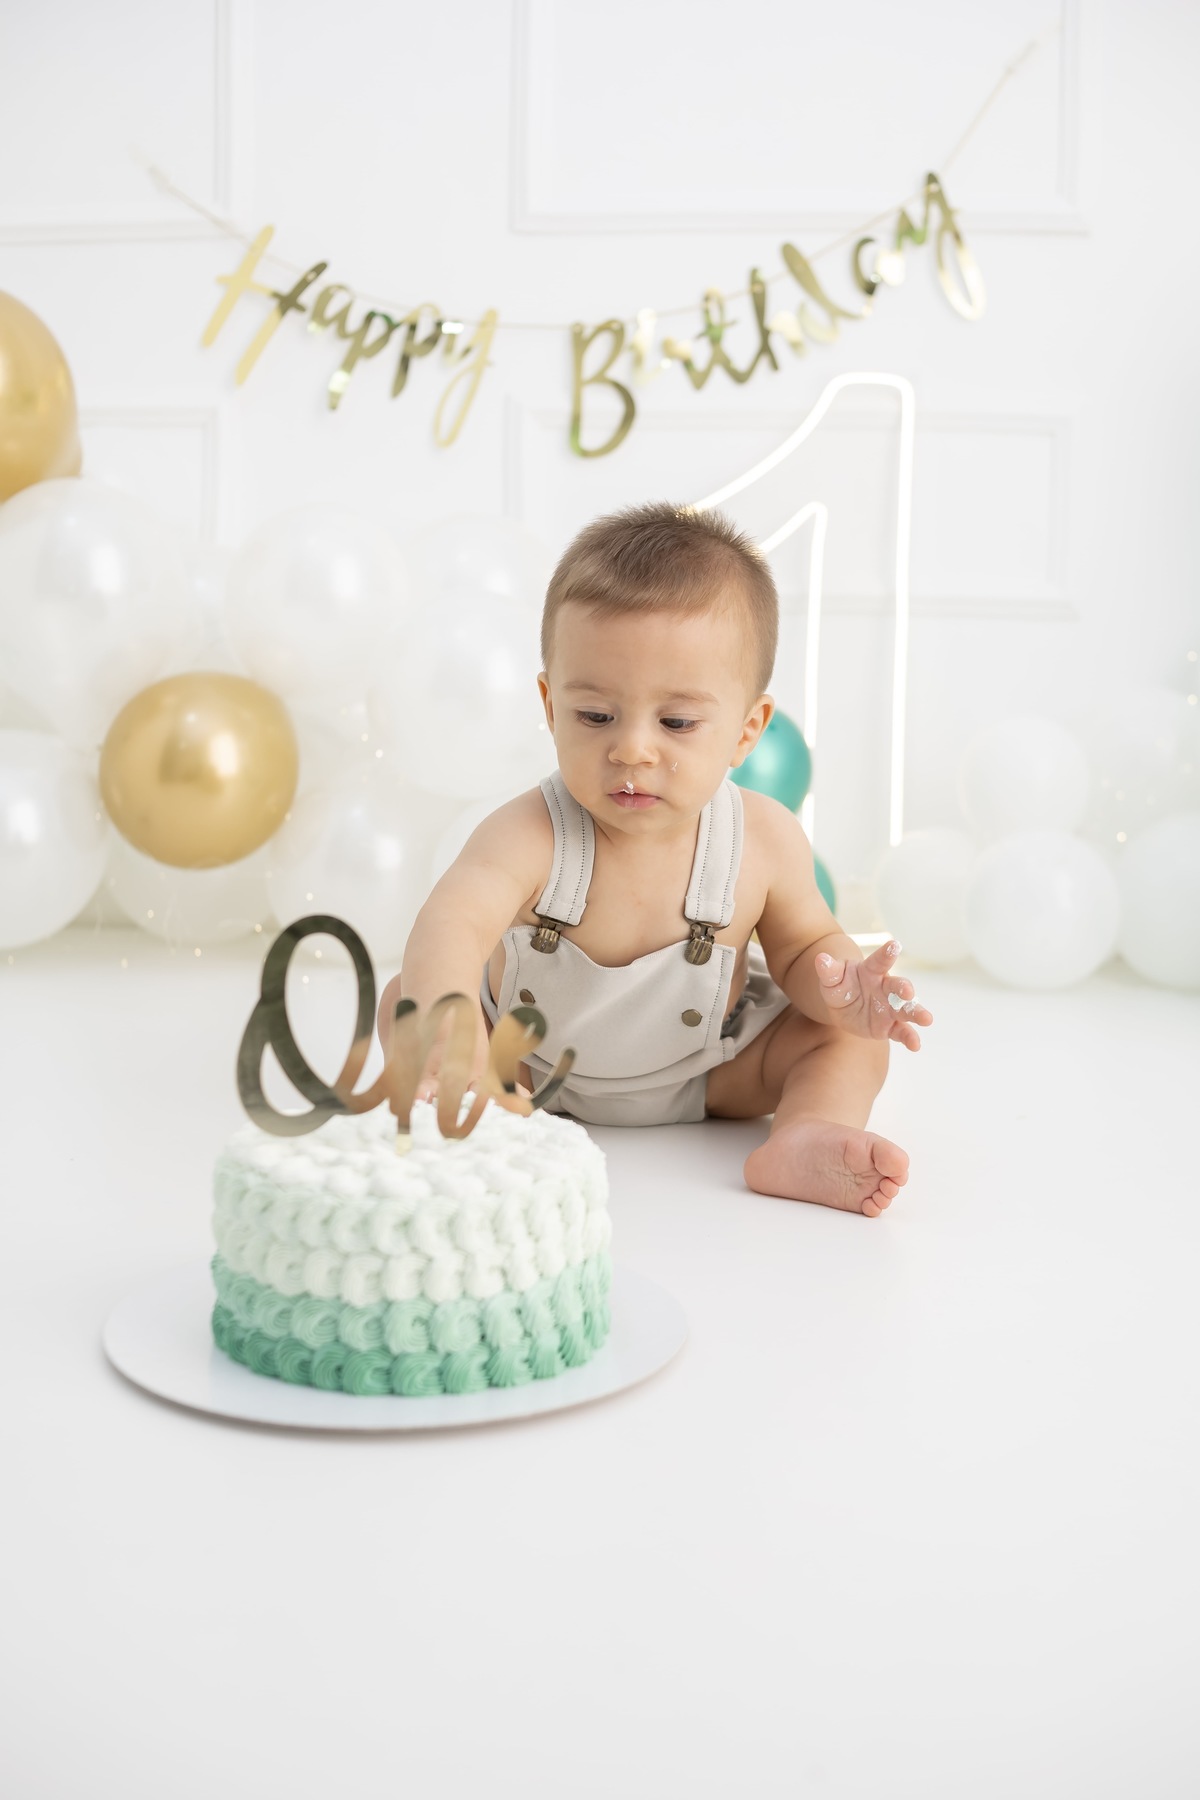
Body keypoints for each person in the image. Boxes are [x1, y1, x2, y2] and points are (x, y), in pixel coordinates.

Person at [382, 502, 932, 1217]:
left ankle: (807, 1133)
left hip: (710, 1073)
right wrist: (451, 1021)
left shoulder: (763, 841)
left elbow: (804, 950)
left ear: (747, 730)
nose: (633, 749)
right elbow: (453, 921)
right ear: (550, 705)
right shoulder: (527, 833)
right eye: (595, 716)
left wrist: (842, 989)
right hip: (527, 1065)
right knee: (408, 997)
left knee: (844, 1041)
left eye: (676, 722)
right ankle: (485, 1107)